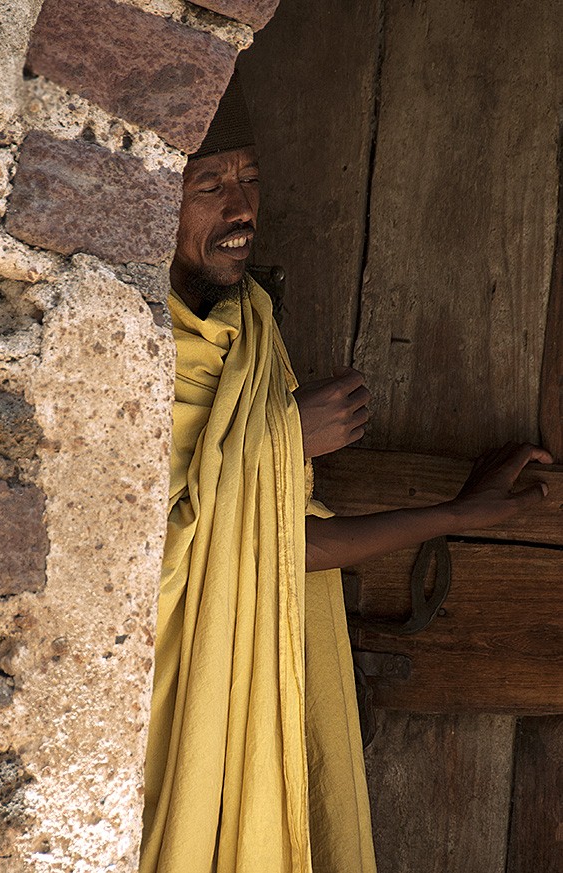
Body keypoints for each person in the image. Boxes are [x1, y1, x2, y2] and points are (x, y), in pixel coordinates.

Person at [139, 73, 552, 873]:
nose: (242, 209)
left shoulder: (250, 324)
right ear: (154, 196)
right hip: (161, 702)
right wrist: (283, 441)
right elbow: (170, 550)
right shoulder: (126, 346)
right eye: (209, 186)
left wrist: (456, 511)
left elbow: (270, 540)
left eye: (250, 178)